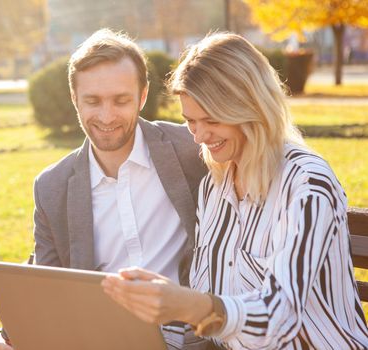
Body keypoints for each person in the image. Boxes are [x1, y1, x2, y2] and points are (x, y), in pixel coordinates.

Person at [102, 32, 368, 349]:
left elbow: (280, 316)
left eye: (211, 120)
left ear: (250, 107)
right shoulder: (216, 187)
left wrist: (192, 305)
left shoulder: (307, 184)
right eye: (190, 121)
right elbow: (208, 313)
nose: (199, 136)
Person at [0, 29, 208, 350]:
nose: (107, 117)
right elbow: (45, 281)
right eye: (92, 101)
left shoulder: (191, 149)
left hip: (188, 335)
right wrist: (16, 334)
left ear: (143, 95)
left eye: (121, 100)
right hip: (99, 339)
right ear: (74, 99)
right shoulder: (52, 186)